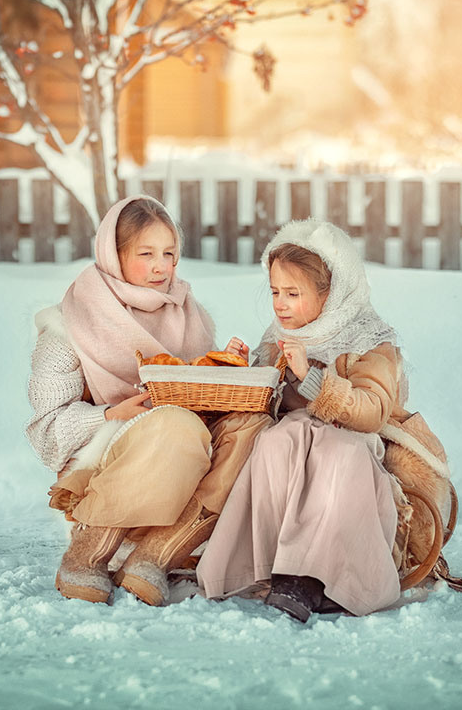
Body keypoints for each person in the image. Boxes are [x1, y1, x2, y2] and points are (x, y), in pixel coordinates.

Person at [26, 195, 272, 606]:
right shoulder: (70, 324)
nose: (162, 267)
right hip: (109, 468)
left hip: (186, 460)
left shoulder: (189, 314)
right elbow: (46, 432)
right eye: (146, 254)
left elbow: (198, 394)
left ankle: (157, 554)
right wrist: (111, 414)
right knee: (175, 422)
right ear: (114, 255)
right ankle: (91, 550)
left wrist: (223, 368)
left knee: (254, 426)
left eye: (169, 253)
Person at [197, 218, 409, 622]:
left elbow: (372, 410)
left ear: (330, 294)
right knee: (274, 443)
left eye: (293, 294)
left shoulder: (367, 339)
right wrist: (240, 366)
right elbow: (265, 398)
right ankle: (274, 566)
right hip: (296, 434)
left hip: (352, 439)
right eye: (275, 291)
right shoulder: (276, 337)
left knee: (335, 456)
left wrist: (311, 377)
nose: (280, 304)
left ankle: (315, 575)